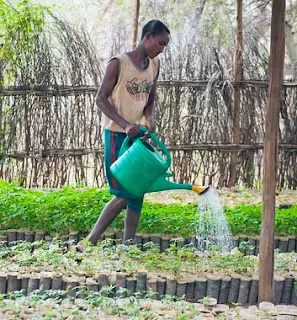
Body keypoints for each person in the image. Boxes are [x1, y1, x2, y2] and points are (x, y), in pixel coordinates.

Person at [77, 20, 170, 250]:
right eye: (160, 43)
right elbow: (100, 99)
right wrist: (125, 124)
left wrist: (149, 118)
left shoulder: (154, 65)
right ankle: (90, 241)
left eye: (165, 45)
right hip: (117, 134)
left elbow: (151, 99)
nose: (162, 49)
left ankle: (128, 245)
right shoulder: (119, 63)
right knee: (125, 189)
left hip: (138, 136)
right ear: (147, 36)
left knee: (137, 190)